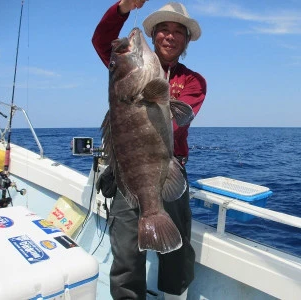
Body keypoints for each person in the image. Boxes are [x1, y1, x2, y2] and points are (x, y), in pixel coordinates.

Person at [92, 1, 207, 299]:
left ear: (185, 41)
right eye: (163, 30)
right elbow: (103, 42)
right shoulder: (129, 65)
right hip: (127, 172)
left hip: (168, 168)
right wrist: (123, 8)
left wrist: (152, 97)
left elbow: (177, 122)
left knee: (178, 256)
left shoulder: (193, 82)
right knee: (127, 257)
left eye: (177, 32)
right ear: (153, 36)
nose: (169, 36)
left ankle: (174, 294)